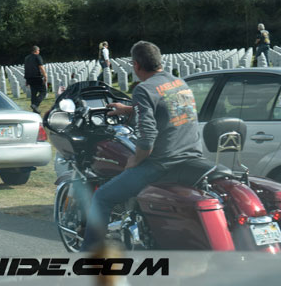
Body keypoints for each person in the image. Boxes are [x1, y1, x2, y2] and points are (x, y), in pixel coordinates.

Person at [81, 41, 202, 250]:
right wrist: (128, 109)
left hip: (162, 164)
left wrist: (135, 159)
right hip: (192, 156)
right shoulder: (179, 82)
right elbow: (168, 110)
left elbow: (147, 139)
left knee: (101, 197)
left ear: (136, 65)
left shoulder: (144, 89)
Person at [24, 45, 48, 114]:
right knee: (43, 91)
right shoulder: (37, 57)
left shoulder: (27, 58)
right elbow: (41, 67)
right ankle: (35, 105)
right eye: (38, 50)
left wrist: (27, 80)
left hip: (29, 78)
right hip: (36, 77)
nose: (39, 51)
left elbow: (26, 68)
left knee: (33, 94)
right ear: (36, 51)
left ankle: (34, 111)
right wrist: (45, 76)